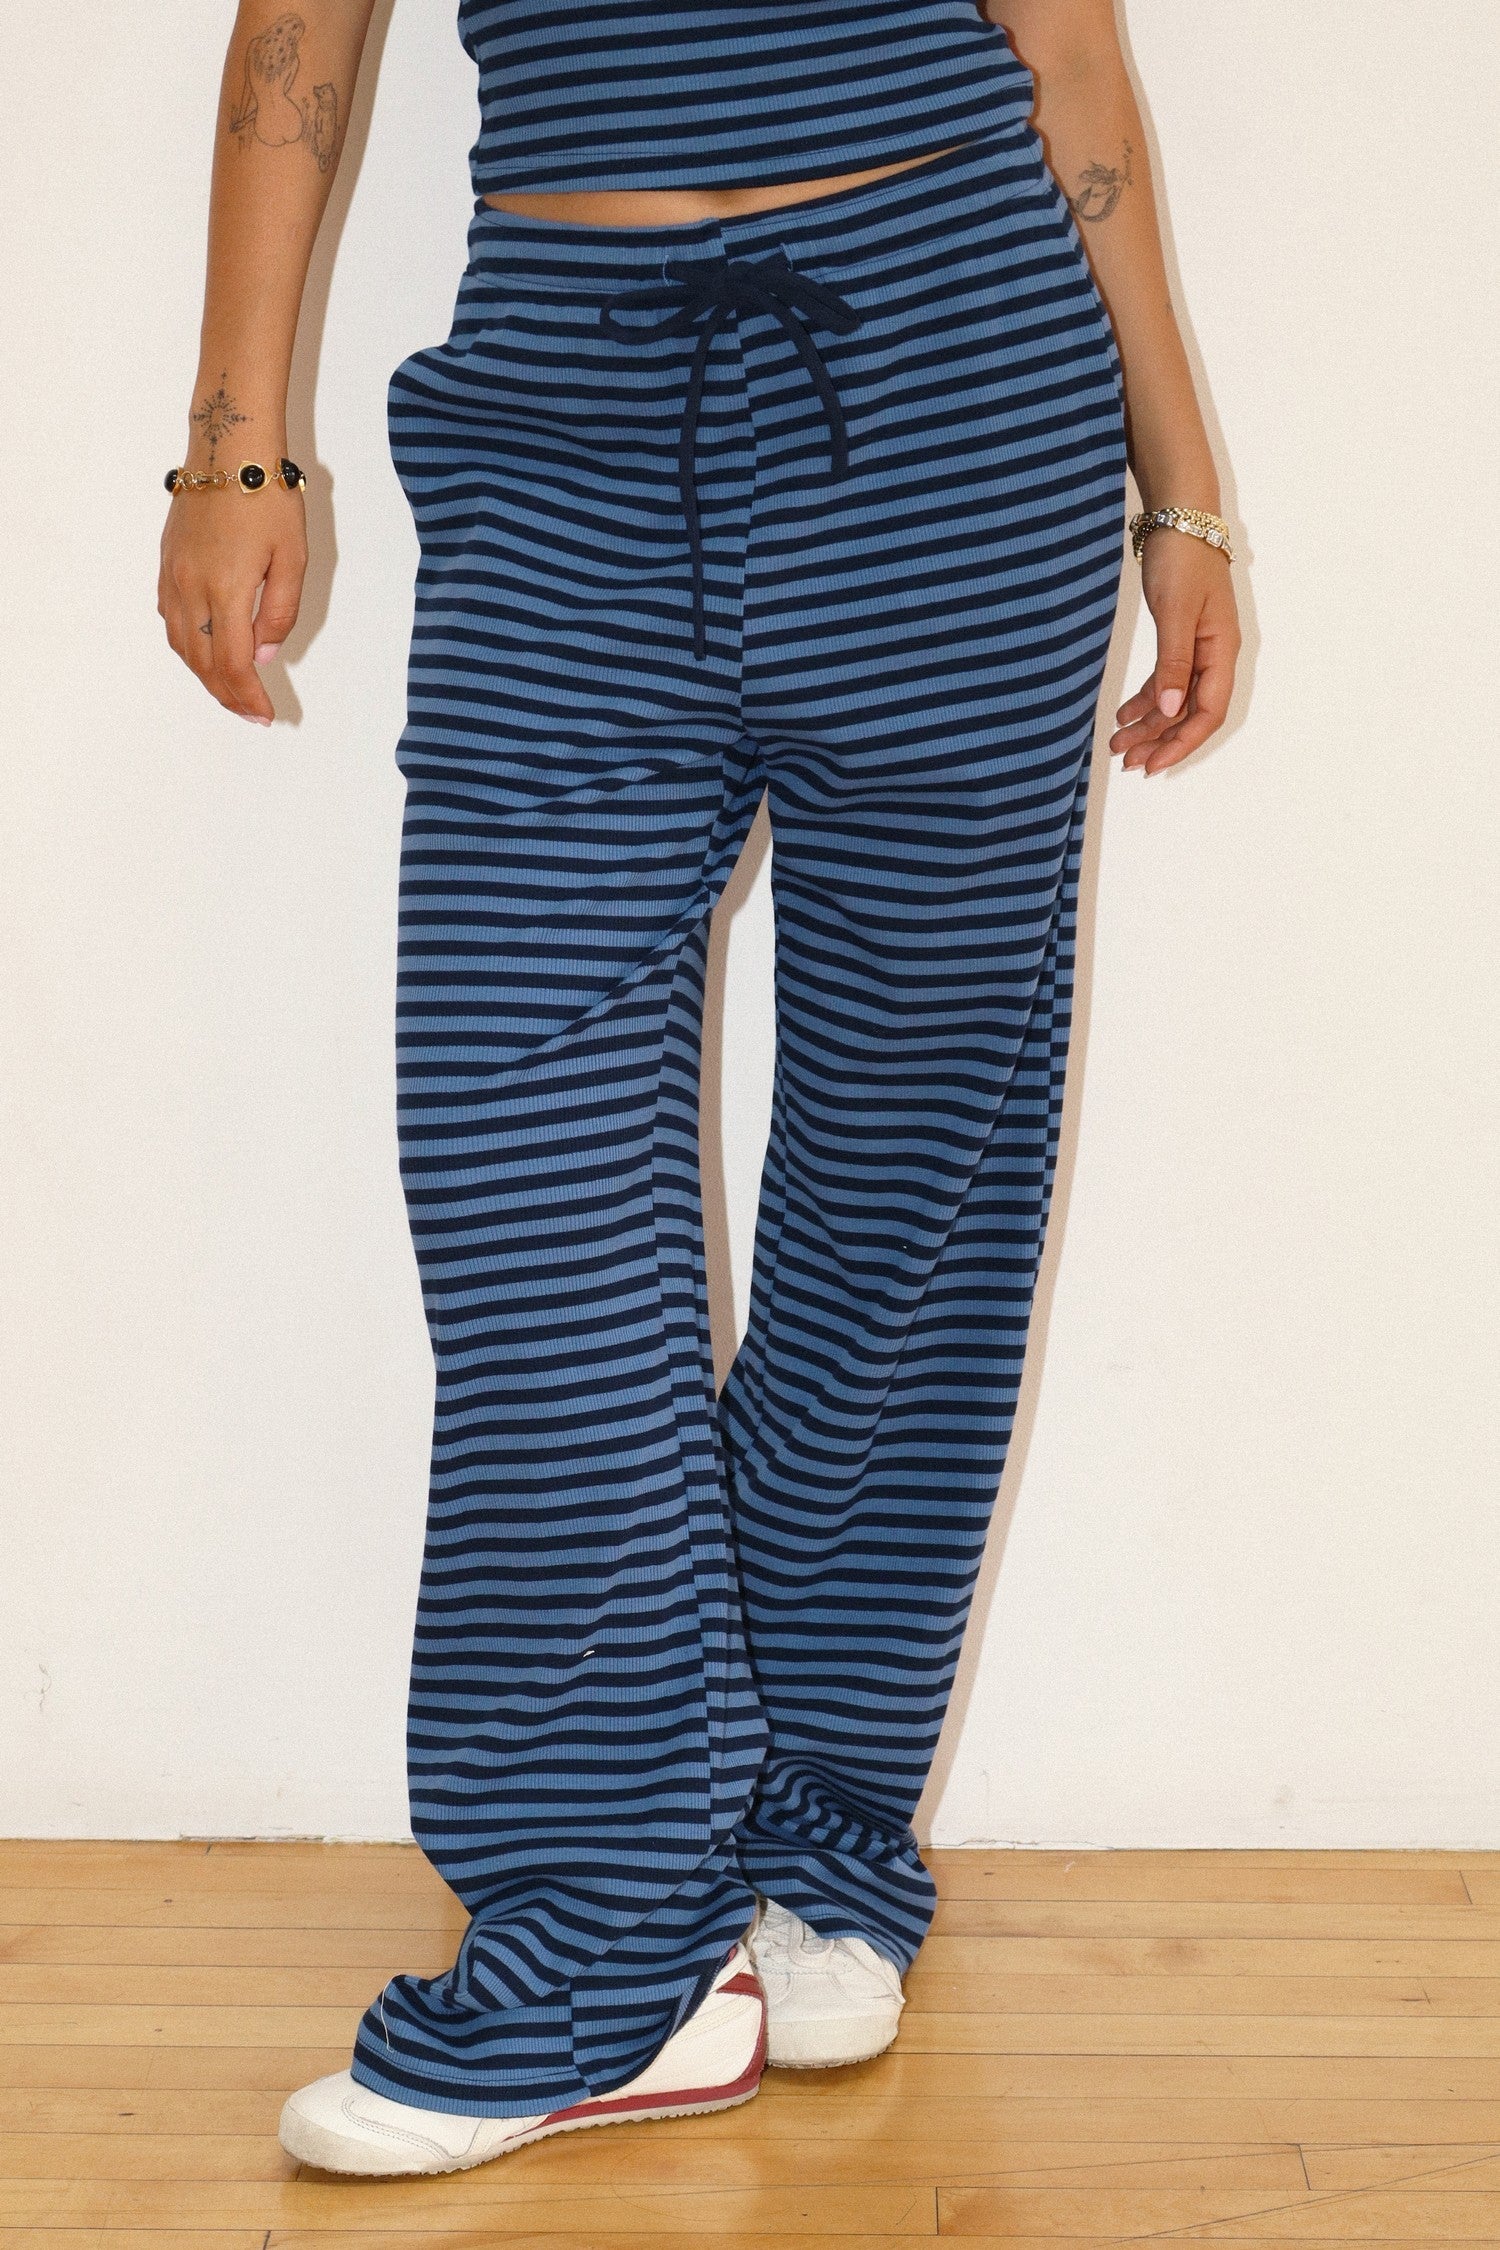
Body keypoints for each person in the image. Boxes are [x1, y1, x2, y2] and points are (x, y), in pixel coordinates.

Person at [159, 0, 1240, 2181]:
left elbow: (1065, 49)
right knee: (519, 1152)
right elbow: (300, 26)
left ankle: (813, 1829)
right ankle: (606, 1932)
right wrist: (231, 440)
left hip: (957, 380)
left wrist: (1184, 491)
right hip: (564, 399)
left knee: (909, 1174)